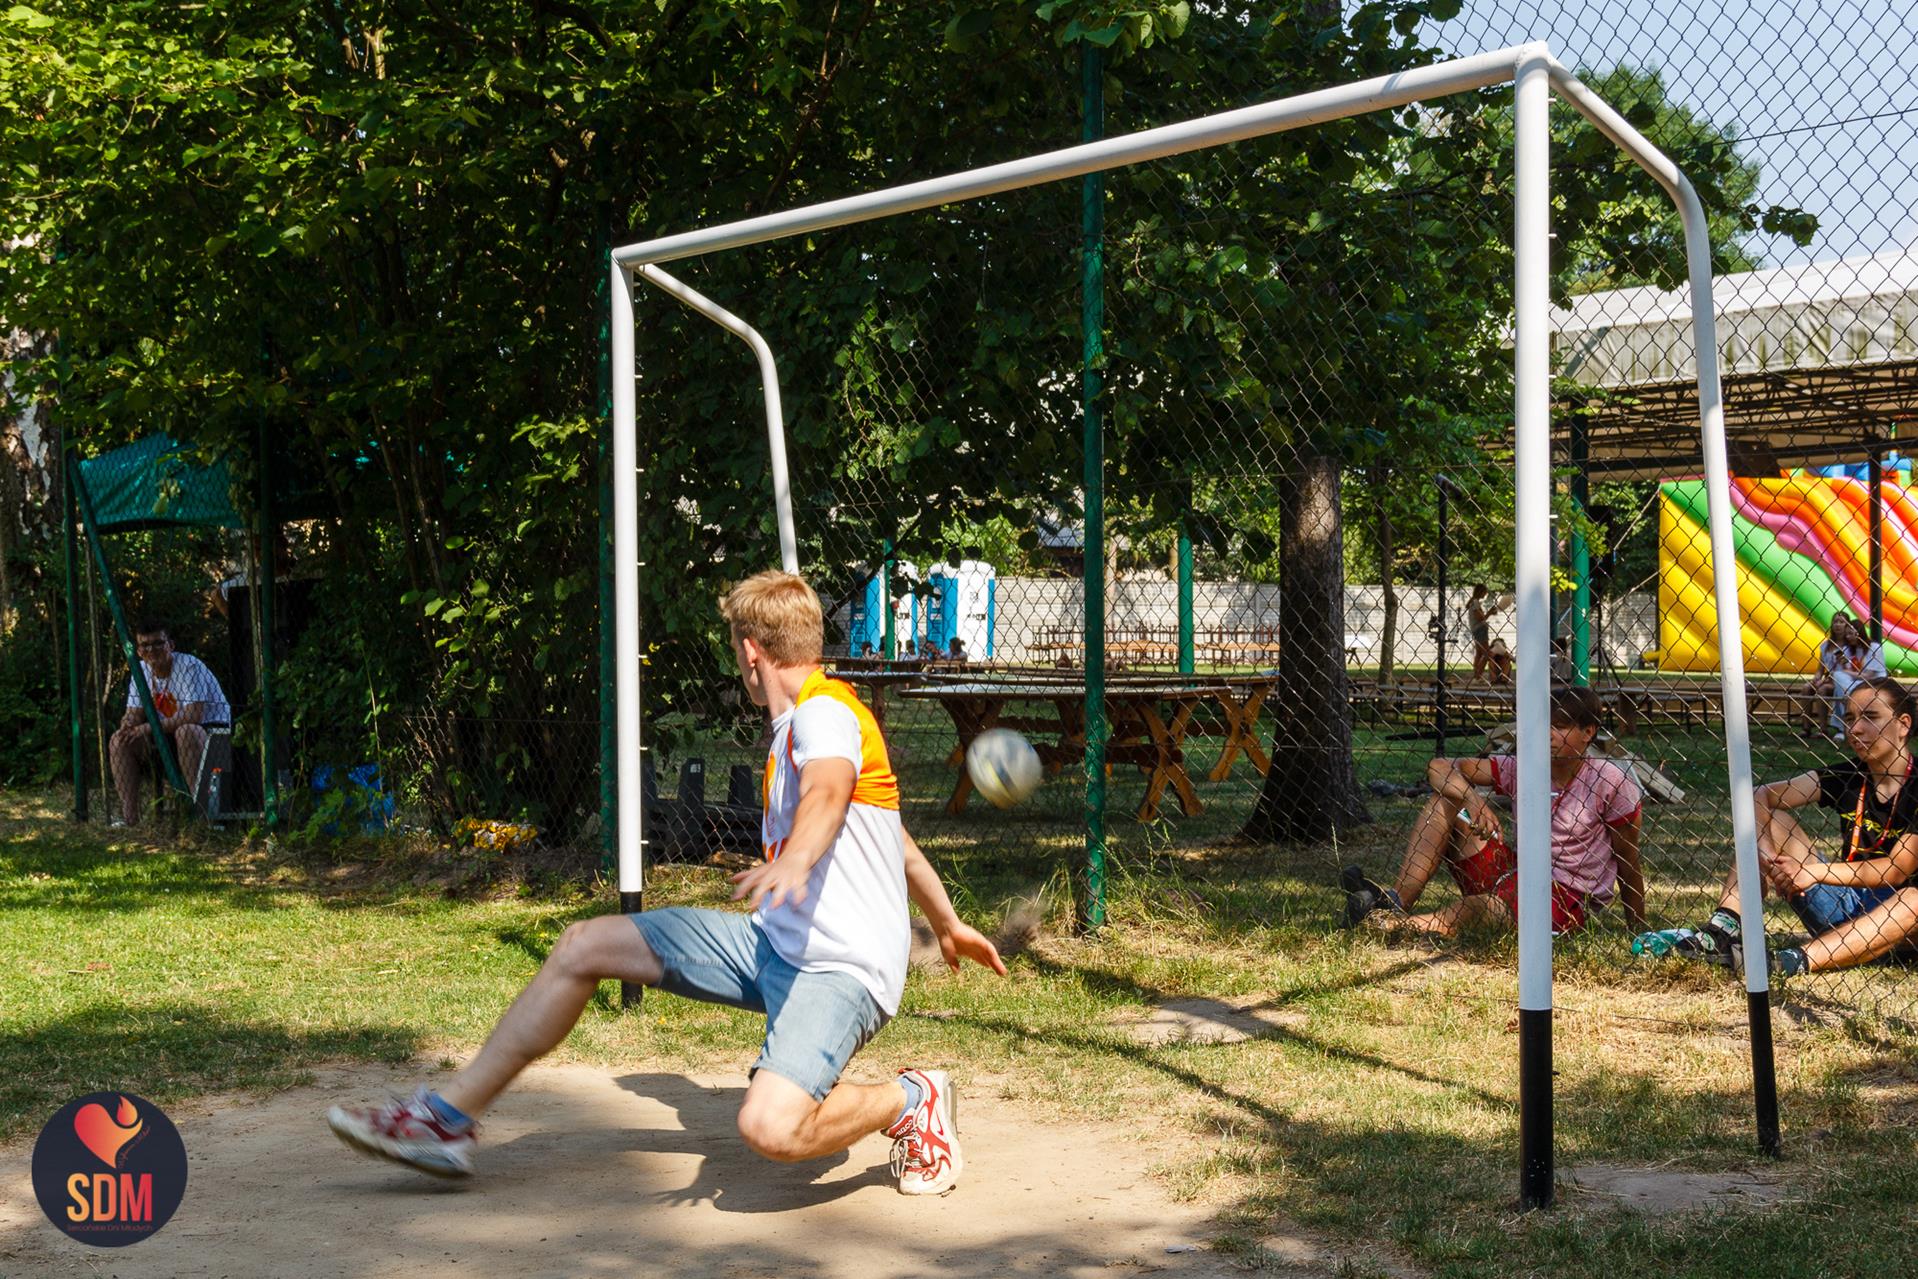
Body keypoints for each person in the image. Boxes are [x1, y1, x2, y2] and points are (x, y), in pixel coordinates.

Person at [327, 570, 1006, 1193]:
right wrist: (946, 921)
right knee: (583, 946)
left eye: (735, 648)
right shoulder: (805, 723)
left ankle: (912, 1098)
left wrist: (796, 859)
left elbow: (829, 793)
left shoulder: (823, 715)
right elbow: (894, 839)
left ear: (750, 652)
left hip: (838, 969)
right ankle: (447, 1119)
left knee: (771, 1127)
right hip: (774, 943)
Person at [1636, 675, 1918, 977]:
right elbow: (1759, 795)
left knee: (1913, 898)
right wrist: (1768, 855)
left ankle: (1785, 962)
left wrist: (1810, 873)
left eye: (1870, 717)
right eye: (1849, 718)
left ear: (1903, 724)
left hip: (1901, 924)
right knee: (1770, 821)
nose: (1855, 729)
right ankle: (1721, 930)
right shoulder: (1848, 775)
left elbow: (1896, 870)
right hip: (1847, 904)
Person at [1341, 685, 1646, 938]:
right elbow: (1439, 767)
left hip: (1565, 897)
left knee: (1480, 909)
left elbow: (1628, 861)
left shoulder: (1610, 781)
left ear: (1588, 732)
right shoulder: (1525, 767)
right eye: (1543, 725)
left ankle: (1385, 925)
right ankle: (1396, 902)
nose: (1548, 734)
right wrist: (1474, 800)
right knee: (1445, 800)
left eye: (1560, 727)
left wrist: (1638, 930)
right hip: (1514, 873)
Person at [108, 617, 231, 827]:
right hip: (166, 734)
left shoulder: (189, 666)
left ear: (170, 645)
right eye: (145, 645)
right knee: (118, 741)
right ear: (138, 651)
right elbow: (134, 713)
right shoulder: (140, 670)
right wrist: (127, 724)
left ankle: (203, 817)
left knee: (186, 731)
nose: (151, 650)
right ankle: (130, 819)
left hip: (209, 733)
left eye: (158, 643)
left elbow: (193, 716)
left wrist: (147, 728)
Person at [1827, 615, 1886, 736]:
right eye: (1846, 634)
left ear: (1859, 632)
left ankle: (1843, 727)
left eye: (1851, 634)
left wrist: (1845, 672)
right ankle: (1850, 702)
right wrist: (1843, 665)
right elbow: (1848, 672)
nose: (1848, 637)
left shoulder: (1874, 648)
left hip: (1874, 682)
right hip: (1853, 683)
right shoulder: (1847, 649)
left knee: (1839, 683)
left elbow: (1869, 676)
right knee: (1838, 677)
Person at [1800, 614, 1851, 737]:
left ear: (1847, 625)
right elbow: (1820, 669)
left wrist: (1824, 681)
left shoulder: (1850, 646)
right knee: (1806, 688)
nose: (1838, 625)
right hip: (1827, 679)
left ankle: (1823, 729)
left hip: (1842, 680)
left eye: (1841, 622)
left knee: (1822, 690)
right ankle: (1806, 727)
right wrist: (1816, 678)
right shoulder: (1825, 646)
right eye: (1835, 622)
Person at [1466, 585, 1505, 682]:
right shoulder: (1475, 602)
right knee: (1486, 654)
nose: (1486, 594)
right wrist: (1490, 612)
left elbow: (1481, 617)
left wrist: (1489, 613)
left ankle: (1476, 677)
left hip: (1477, 630)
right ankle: (1478, 676)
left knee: (1479, 654)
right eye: (1485, 592)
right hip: (1480, 630)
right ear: (1480, 592)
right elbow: (1480, 618)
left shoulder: (1474, 602)